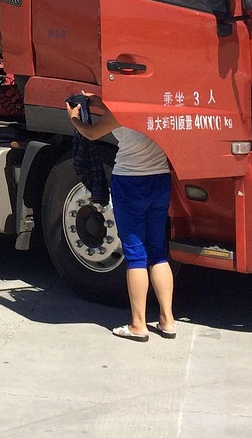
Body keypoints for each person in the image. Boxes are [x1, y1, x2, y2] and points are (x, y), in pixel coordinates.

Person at [65, 97, 176, 342]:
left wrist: (74, 119)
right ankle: (167, 320)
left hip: (130, 182)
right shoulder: (161, 104)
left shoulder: (122, 111)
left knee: (136, 255)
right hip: (160, 180)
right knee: (158, 253)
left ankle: (138, 324)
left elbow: (92, 133)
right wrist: (96, 101)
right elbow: (125, 112)